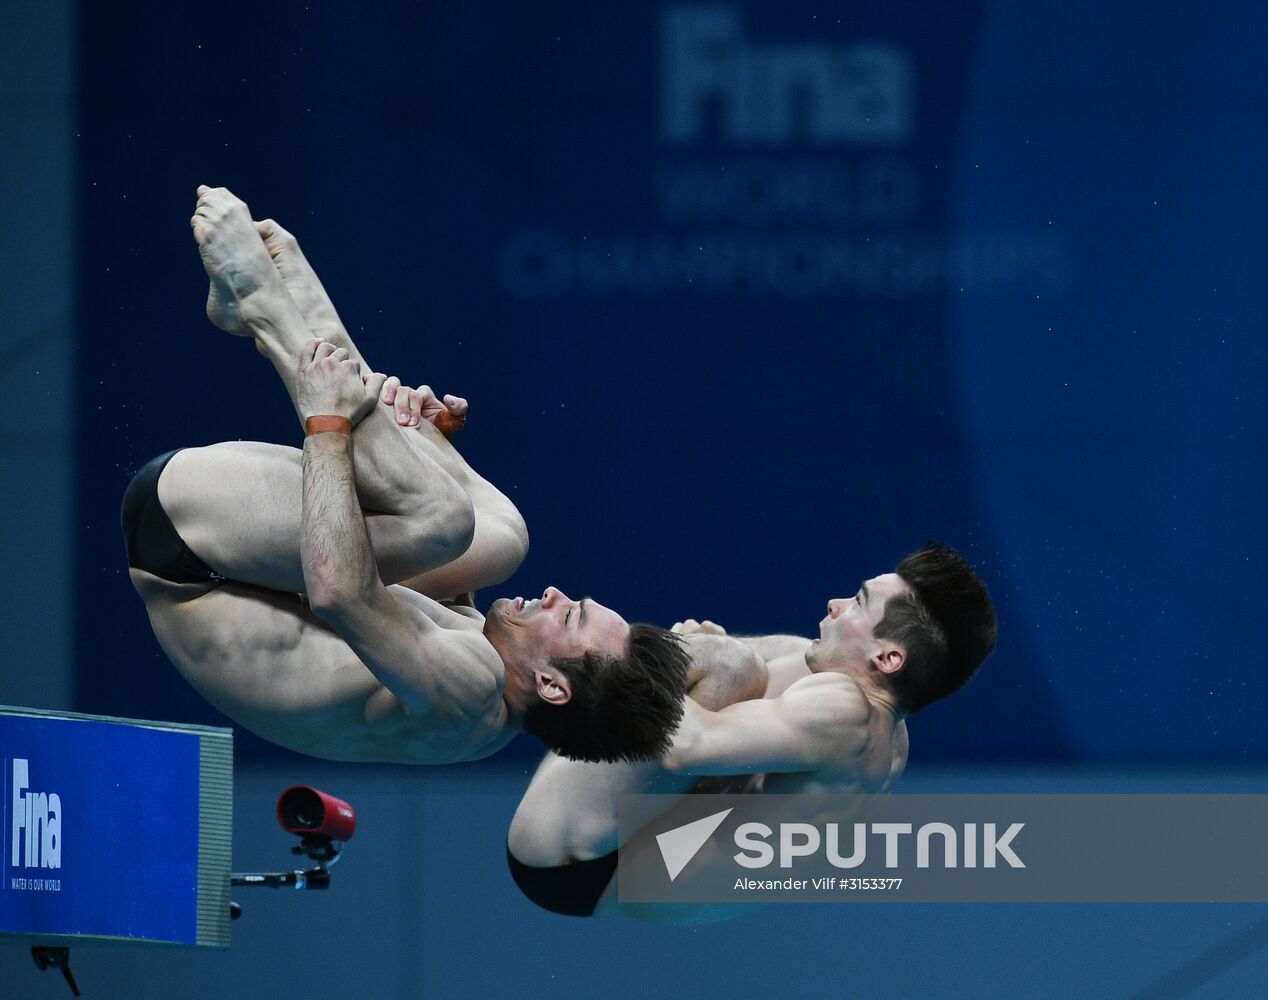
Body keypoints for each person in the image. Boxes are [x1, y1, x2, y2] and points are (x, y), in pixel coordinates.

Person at [122, 186, 689, 764]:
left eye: (570, 616)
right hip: (237, 556)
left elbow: (339, 590)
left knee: (442, 520)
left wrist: (327, 423)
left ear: (552, 685)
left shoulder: (471, 692)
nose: (555, 595)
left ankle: (267, 309)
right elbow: (414, 589)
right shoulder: (483, 697)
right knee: (502, 537)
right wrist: (427, 441)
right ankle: (304, 320)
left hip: (192, 555)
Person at [507, 543, 996, 920]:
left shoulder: (844, 713)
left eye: (858, 603)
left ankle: (514, 665)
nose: (835, 604)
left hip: (575, 858)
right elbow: (771, 657)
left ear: (888, 658)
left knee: (712, 660)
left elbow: (682, 747)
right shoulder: (889, 741)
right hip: (634, 875)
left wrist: (683, 652)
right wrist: (707, 655)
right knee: (750, 660)